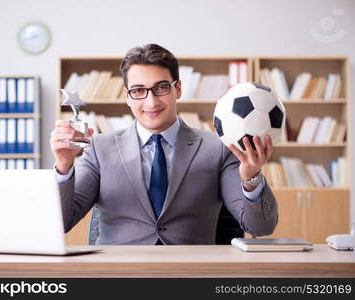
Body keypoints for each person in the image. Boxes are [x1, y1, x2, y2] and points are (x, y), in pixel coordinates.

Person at [50, 44, 278, 245]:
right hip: (120, 275)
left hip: (192, 276)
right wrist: (63, 166)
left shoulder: (217, 147)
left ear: (177, 89)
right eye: (138, 90)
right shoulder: (99, 149)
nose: (151, 101)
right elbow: (61, 223)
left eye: (161, 88)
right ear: (128, 96)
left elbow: (260, 227)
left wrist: (251, 177)